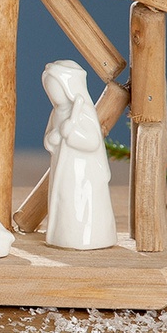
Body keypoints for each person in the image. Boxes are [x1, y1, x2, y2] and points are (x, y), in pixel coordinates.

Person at [42, 60, 117, 250]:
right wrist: (56, 136)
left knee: (82, 204)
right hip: (63, 170)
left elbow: (92, 142)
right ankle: (63, 237)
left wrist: (72, 134)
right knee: (64, 203)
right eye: (49, 89)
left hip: (83, 173)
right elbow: (48, 142)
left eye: (55, 88)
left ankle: (90, 238)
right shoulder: (56, 113)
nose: (52, 94)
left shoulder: (83, 112)